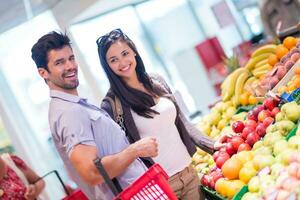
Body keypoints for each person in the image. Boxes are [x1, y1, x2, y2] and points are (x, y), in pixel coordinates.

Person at [31, 31, 158, 200]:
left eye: (71, 58)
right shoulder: (69, 112)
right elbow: (92, 172)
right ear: (43, 73)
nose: (70, 66)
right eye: (60, 62)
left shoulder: (74, 105)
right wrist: (135, 150)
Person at [97, 29, 219, 200]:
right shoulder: (112, 105)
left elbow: (183, 123)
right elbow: (121, 155)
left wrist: (215, 146)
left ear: (134, 52)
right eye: (113, 60)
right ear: (108, 66)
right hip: (159, 187)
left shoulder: (156, 81)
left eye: (125, 53)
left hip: (189, 173)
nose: (122, 62)